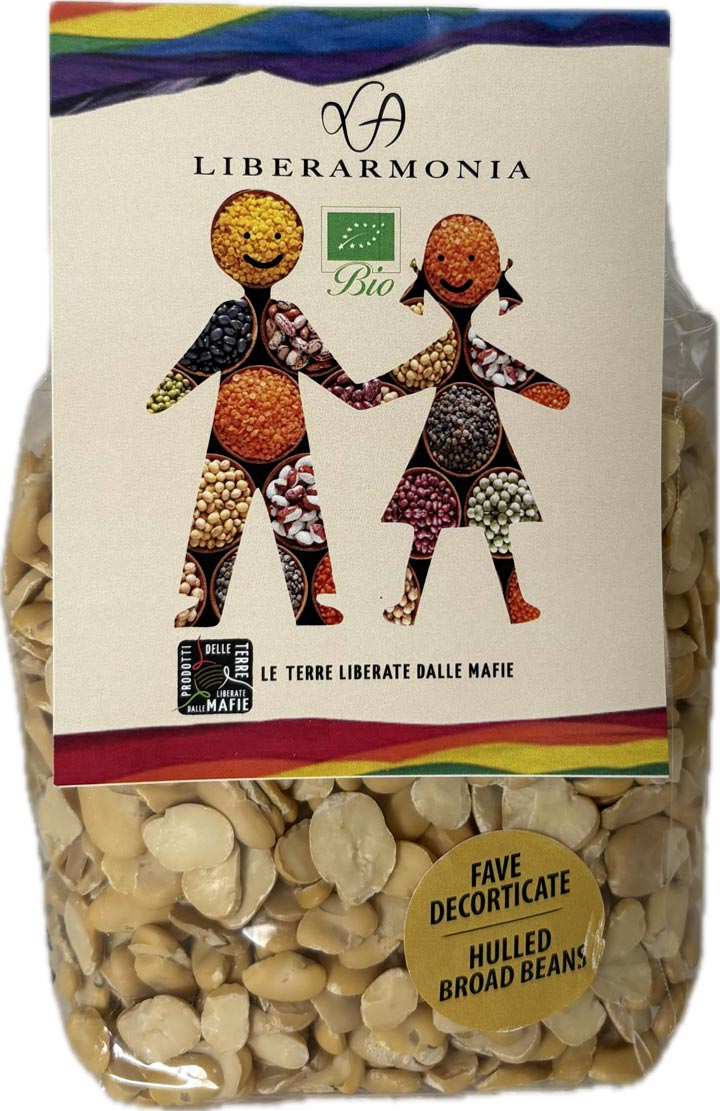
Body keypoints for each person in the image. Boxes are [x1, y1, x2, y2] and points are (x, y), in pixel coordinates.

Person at [147, 189, 351, 627]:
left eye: (278, 236)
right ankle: (200, 611)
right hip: (228, 443)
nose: (264, 248)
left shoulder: (289, 316)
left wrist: (363, 394)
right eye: (247, 237)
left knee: (305, 529)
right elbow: (196, 362)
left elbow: (326, 370)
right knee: (212, 528)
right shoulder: (230, 315)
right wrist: (162, 397)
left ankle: (314, 610)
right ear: (224, 251)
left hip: (288, 441)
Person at [371, 213, 571, 624]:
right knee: (425, 528)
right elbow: (400, 381)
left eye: (471, 260)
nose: (456, 272)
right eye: (442, 260)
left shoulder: (476, 348)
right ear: (427, 274)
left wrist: (546, 390)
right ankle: (408, 605)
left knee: (499, 526)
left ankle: (513, 603)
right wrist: (362, 393)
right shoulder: (442, 350)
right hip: (437, 450)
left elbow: (513, 373)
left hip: (487, 449)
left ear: (494, 274)